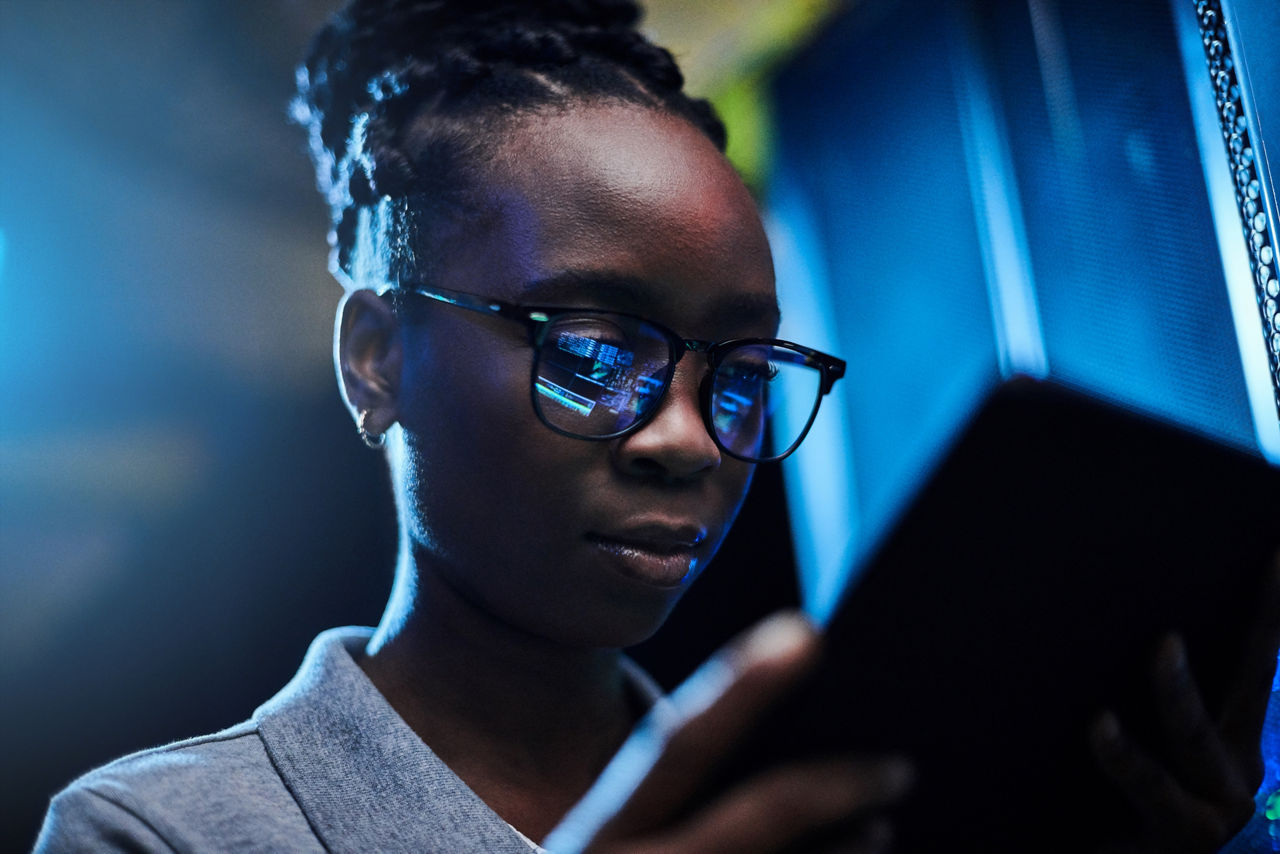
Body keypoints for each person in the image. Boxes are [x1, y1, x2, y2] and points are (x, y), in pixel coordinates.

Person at [33, 1, 1280, 851]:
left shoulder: (835, 801)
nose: (688, 438)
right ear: (377, 359)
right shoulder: (160, 828)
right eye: (590, 352)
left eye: (739, 377)